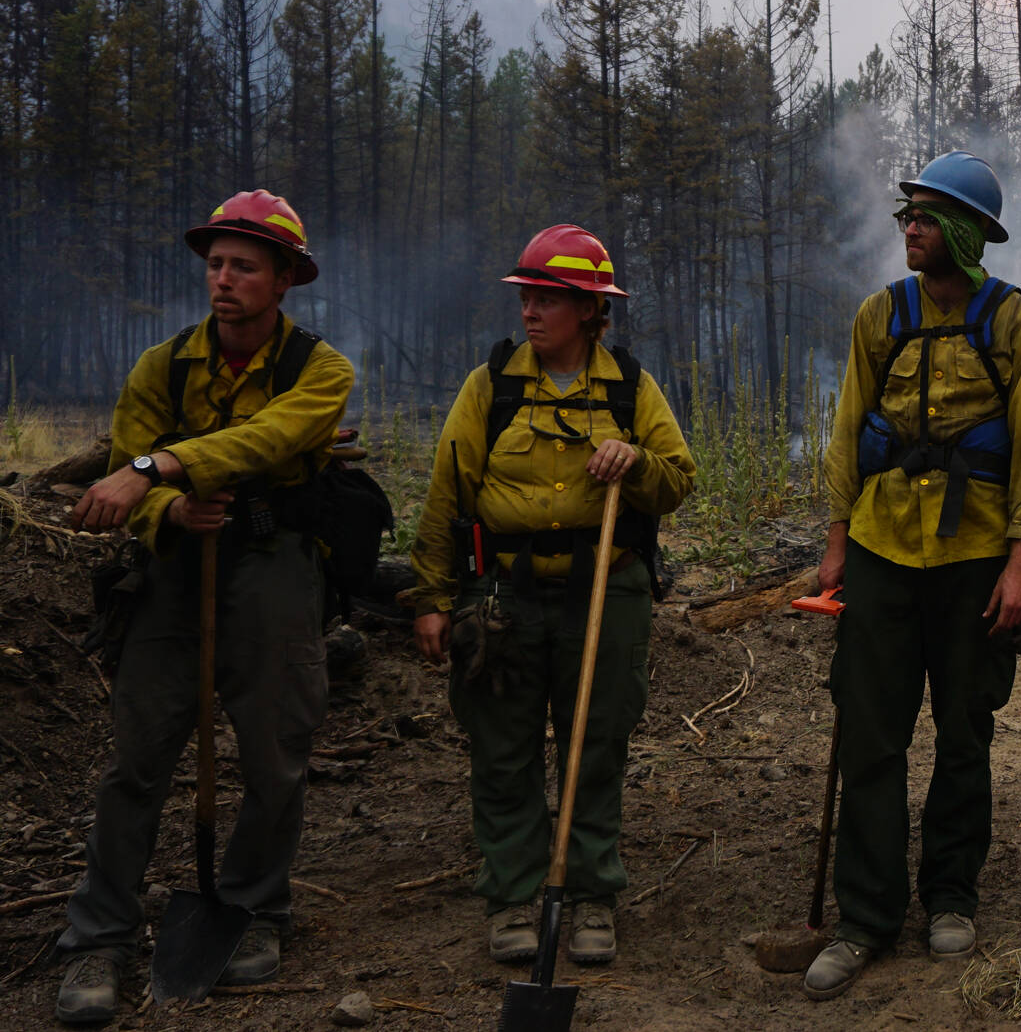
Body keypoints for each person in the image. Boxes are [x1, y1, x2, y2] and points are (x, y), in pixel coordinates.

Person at [54, 191, 354, 1025]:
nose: (223, 279)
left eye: (244, 266)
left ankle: (254, 906)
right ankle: (100, 935)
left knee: (274, 749)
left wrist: (157, 469)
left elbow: (266, 441)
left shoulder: (320, 371)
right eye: (216, 263)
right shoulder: (163, 366)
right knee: (136, 757)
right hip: (178, 573)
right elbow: (124, 470)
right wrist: (169, 512)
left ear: (285, 279)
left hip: (277, 568)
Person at [802, 151, 1021, 1001]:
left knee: (964, 732)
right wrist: (838, 541)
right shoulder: (882, 314)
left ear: (962, 230)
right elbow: (847, 432)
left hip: (975, 560)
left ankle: (952, 893)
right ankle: (866, 917)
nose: (908, 228)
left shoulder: (1015, 325)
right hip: (880, 551)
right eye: (906, 215)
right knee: (871, 732)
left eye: (923, 216)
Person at [407, 224, 695, 968]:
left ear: (590, 310)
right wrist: (432, 598)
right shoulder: (491, 385)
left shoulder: (629, 386)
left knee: (594, 743)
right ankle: (512, 894)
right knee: (502, 748)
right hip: (502, 595)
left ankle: (590, 893)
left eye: (549, 298)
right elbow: (445, 497)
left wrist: (633, 459)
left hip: (607, 588)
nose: (531, 310)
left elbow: (679, 477)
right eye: (527, 295)